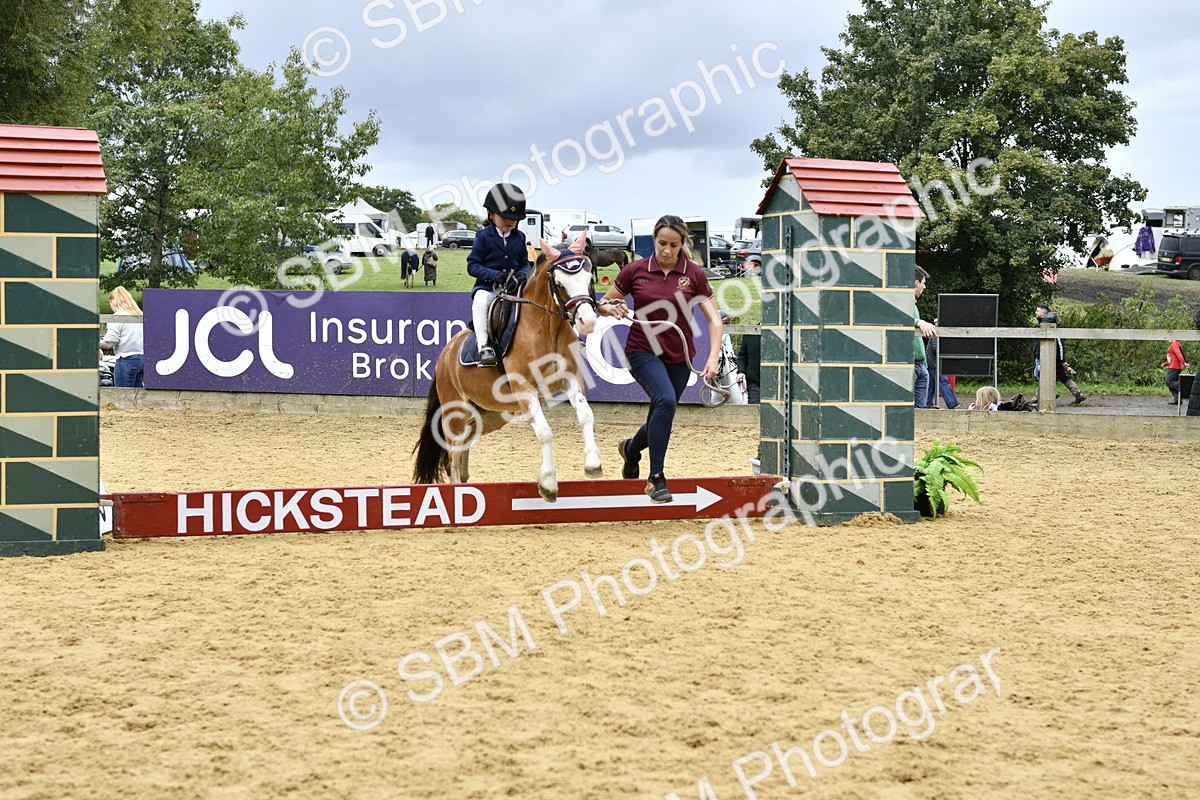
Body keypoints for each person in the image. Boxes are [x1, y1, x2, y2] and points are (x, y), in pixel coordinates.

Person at [598, 214, 722, 503]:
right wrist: (610, 308)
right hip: (641, 350)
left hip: (679, 355)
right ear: (654, 240)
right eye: (661, 243)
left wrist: (713, 357)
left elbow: (715, 321)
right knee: (665, 401)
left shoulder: (694, 274)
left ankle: (630, 450)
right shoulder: (635, 270)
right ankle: (656, 479)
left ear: (682, 245)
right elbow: (603, 302)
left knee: (661, 412)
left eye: (674, 245)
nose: (666, 250)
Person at [467, 183, 530, 366]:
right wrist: (494, 275)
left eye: (514, 218)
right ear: (491, 214)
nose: (509, 221)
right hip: (488, 287)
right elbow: (473, 266)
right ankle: (484, 346)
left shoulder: (520, 238)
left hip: (514, 289)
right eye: (504, 216)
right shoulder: (483, 236)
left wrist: (522, 275)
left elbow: (524, 263)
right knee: (479, 301)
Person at [1031, 303, 1086, 405]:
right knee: (1061, 376)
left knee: (1040, 374)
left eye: (1037, 311)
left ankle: (1042, 395)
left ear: (1043, 314)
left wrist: (1061, 360)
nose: (1035, 312)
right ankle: (1078, 394)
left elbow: (1060, 345)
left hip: (1050, 358)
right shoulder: (1044, 325)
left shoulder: (1051, 327)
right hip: (1048, 357)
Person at [100, 286, 144, 388]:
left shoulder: (117, 317)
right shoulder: (140, 315)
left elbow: (109, 342)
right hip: (143, 359)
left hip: (126, 359)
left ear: (112, 301)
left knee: (122, 395)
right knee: (137, 397)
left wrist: (96, 343)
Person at [913, 265, 937, 407]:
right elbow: (898, 318)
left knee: (920, 411)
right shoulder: (900, 302)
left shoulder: (913, 305)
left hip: (921, 365)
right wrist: (919, 322)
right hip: (910, 366)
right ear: (916, 283)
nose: (924, 287)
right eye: (923, 283)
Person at [923, 331, 960, 409]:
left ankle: (927, 403)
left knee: (931, 384)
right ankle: (952, 403)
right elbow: (935, 348)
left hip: (931, 362)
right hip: (934, 362)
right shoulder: (936, 333)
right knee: (943, 381)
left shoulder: (936, 332)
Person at [737, 331, 761, 404]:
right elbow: (743, 355)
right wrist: (741, 371)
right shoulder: (750, 332)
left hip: (778, 383)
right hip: (755, 383)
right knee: (755, 409)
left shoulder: (780, 331)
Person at [1163, 340, 1187, 404]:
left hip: (1174, 367)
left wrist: (1184, 362)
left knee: (1169, 382)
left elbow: (1178, 354)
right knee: (1171, 383)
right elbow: (1173, 358)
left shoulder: (1174, 344)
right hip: (1174, 366)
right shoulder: (1174, 344)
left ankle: (1183, 386)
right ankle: (1177, 400)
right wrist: (1166, 364)